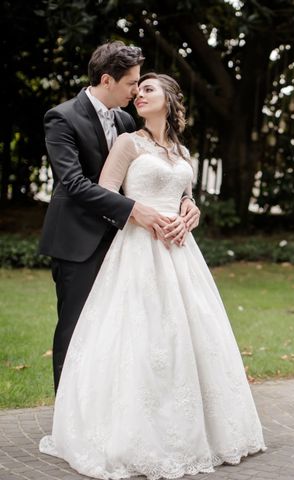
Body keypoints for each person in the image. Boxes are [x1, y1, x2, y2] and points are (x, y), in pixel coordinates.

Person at [39, 72, 266, 479]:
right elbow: (106, 190)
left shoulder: (180, 151)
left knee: (185, 336)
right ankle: (127, 430)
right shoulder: (127, 142)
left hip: (180, 253)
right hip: (138, 248)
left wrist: (190, 210)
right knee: (139, 338)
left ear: (169, 99)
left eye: (148, 89)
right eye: (136, 88)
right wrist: (140, 214)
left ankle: (197, 429)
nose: (138, 95)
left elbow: (183, 194)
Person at [38, 41, 200, 393]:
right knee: (76, 325)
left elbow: (158, 167)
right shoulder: (62, 117)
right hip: (78, 240)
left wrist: (187, 200)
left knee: (118, 330)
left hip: (126, 243)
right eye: (132, 83)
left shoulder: (128, 120)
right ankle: (67, 413)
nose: (136, 91)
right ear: (108, 80)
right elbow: (76, 184)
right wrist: (133, 210)